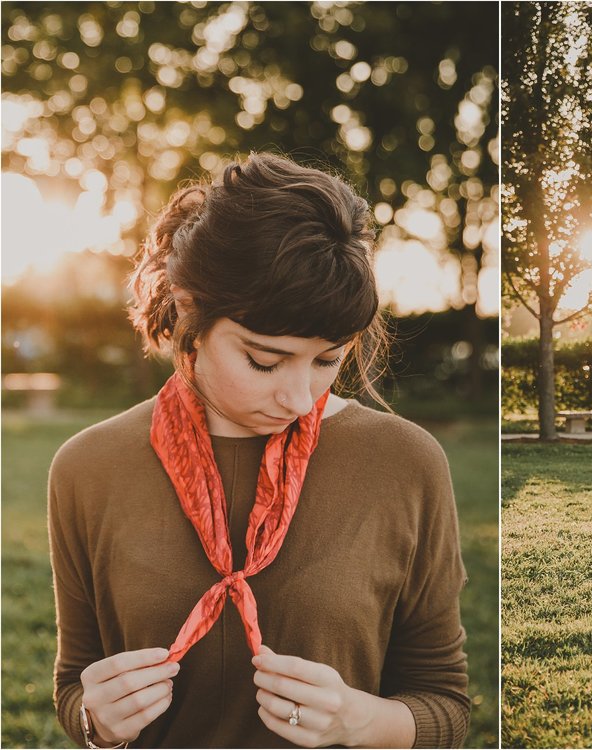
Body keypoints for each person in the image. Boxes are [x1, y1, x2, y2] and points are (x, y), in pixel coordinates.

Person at [47, 153, 469, 748]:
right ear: (188, 310)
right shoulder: (87, 467)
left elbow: (445, 704)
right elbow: (75, 686)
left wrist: (358, 720)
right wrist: (96, 724)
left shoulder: (406, 463)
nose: (300, 397)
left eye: (328, 360)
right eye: (264, 361)